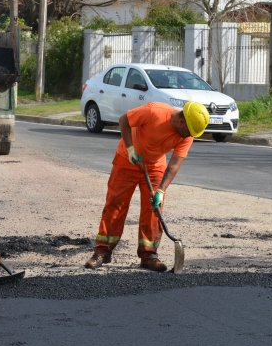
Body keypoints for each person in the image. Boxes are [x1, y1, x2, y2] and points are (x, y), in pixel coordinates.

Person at [84, 101, 210, 272]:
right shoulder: (154, 112)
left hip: (154, 167)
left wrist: (161, 190)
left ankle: (148, 255)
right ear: (182, 121)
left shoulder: (187, 136)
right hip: (126, 160)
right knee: (115, 205)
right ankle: (102, 252)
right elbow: (124, 120)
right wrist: (130, 149)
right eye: (189, 131)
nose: (189, 135)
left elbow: (174, 165)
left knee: (154, 210)